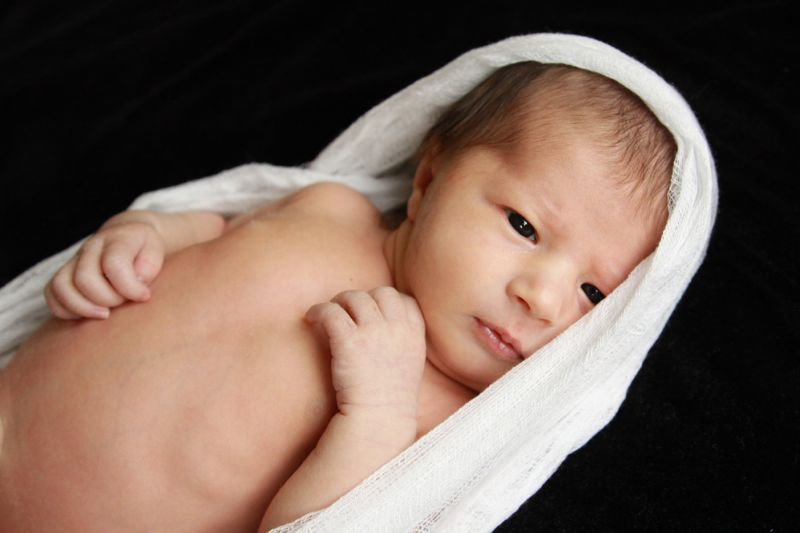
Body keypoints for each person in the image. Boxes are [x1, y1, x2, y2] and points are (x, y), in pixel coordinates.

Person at [0, 61, 675, 532]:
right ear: (430, 175)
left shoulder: (436, 417)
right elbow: (209, 224)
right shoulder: (329, 207)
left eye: (594, 291)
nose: (543, 298)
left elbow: (318, 527)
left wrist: (375, 413)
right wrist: (139, 236)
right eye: (523, 225)